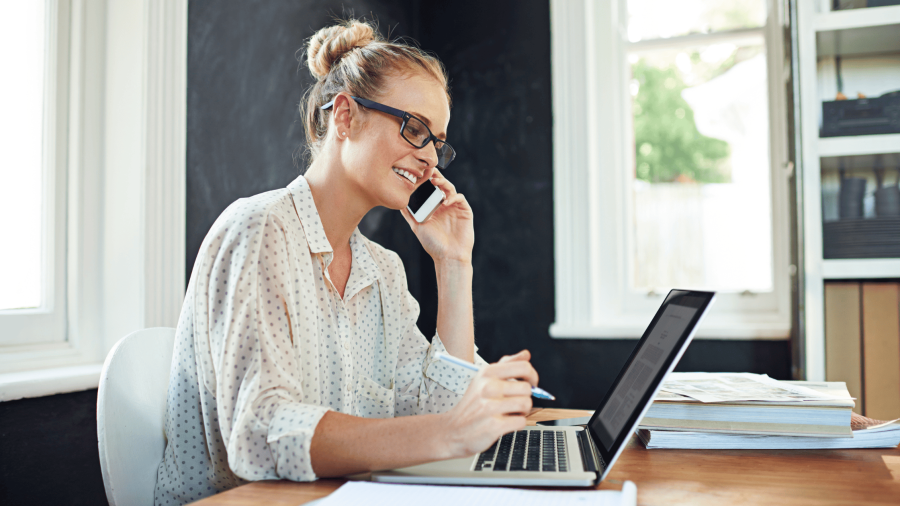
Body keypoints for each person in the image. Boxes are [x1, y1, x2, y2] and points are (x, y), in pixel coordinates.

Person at [154, 19, 539, 505]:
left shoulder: (381, 270)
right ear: (345, 117)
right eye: (415, 129)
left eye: (437, 142)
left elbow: (437, 411)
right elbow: (258, 432)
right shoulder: (258, 231)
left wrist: (454, 264)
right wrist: (447, 433)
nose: (430, 160)